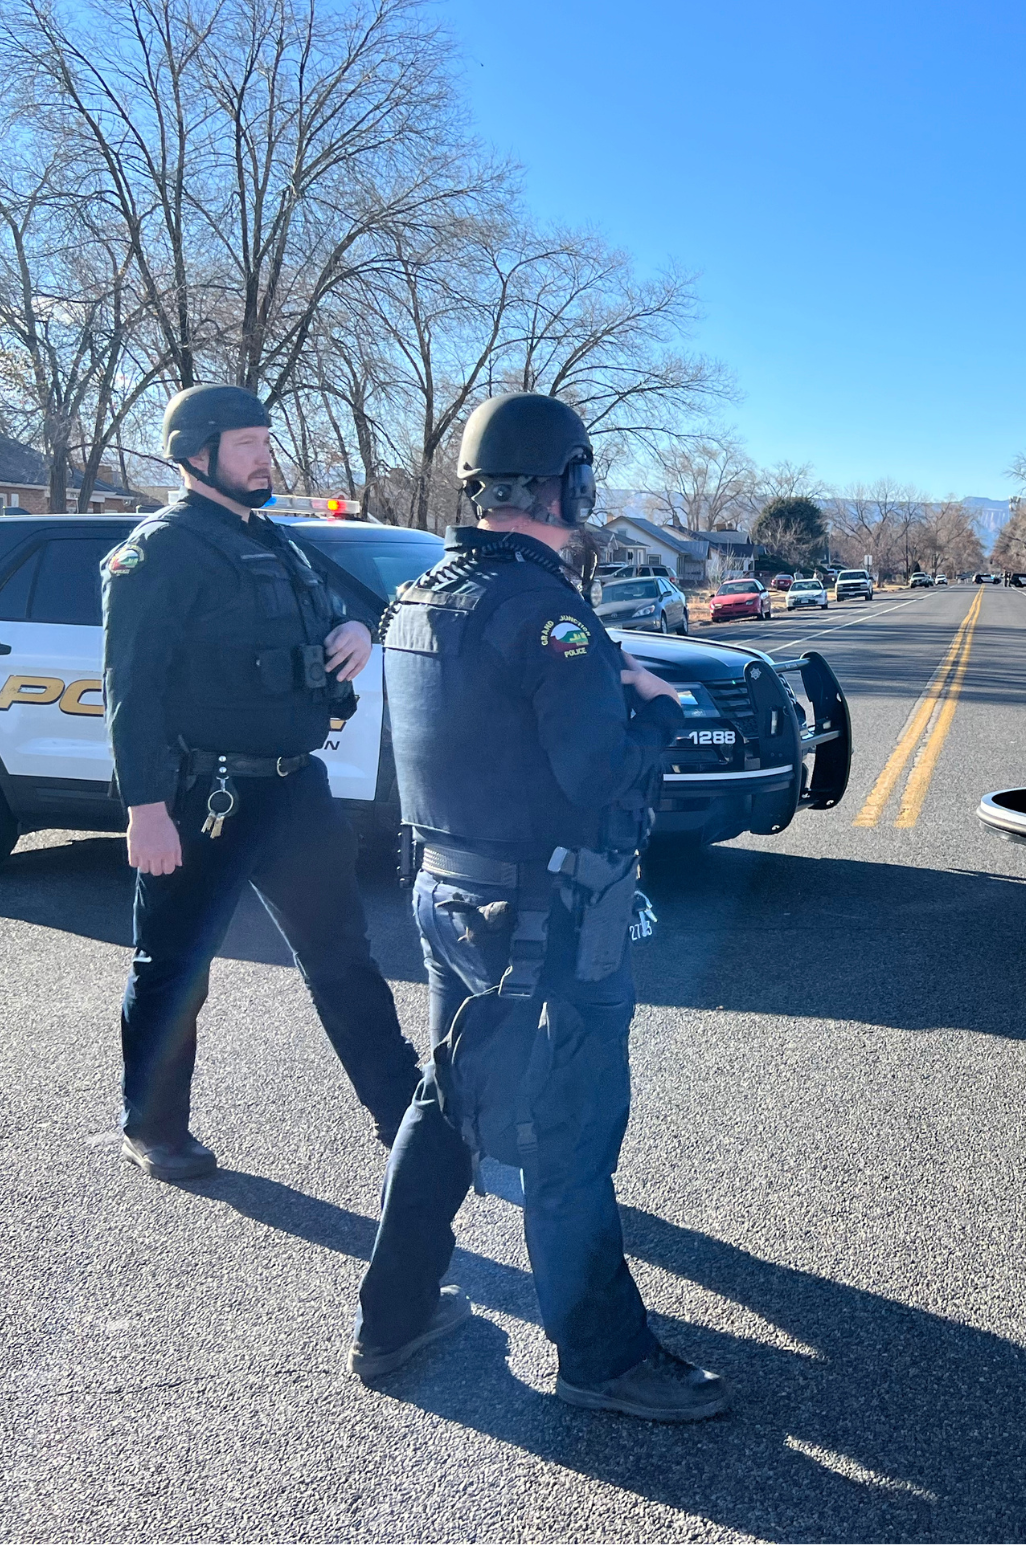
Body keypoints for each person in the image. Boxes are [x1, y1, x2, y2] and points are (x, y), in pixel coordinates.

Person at [349, 392, 726, 1422]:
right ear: (560, 484)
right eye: (582, 481)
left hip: (447, 896)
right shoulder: (549, 614)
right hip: (547, 916)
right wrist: (654, 711)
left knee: (447, 1105)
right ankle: (602, 1358)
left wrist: (601, 680)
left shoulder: (422, 596)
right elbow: (599, 776)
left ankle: (392, 1320)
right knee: (569, 1133)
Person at [102, 384, 420, 1182]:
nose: (264, 456)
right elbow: (130, 690)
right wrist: (145, 809)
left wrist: (353, 631)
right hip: (200, 797)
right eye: (246, 443)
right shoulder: (159, 550)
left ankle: (408, 1117)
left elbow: (324, 624)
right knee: (175, 966)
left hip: (294, 791)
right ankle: (154, 1126)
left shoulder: (274, 540)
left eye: (265, 441)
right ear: (196, 454)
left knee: (344, 956)